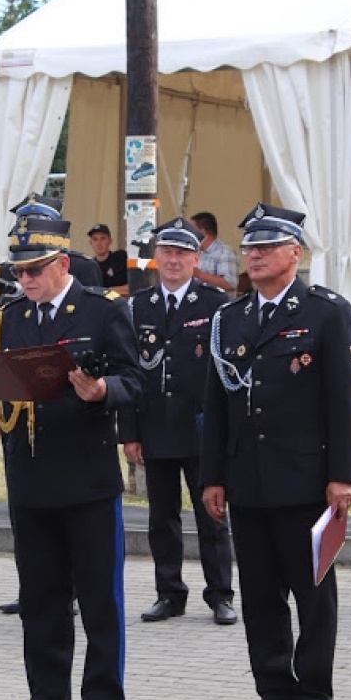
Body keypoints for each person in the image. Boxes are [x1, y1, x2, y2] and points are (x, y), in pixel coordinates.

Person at [0, 214, 142, 700]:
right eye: (19, 271)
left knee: (98, 594)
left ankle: (103, 699)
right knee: (40, 594)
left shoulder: (102, 310)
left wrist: (103, 391)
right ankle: (47, 695)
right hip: (29, 473)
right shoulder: (8, 316)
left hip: (87, 475)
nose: (25, 280)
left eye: (35, 270)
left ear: (63, 264)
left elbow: (136, 378)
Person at [200, 203, 351, 700]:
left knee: (313, 596)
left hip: (305, 480)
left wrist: (343, 475)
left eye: (267, 247)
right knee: (262, 596)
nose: (256, 255)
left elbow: (343, 401)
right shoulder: (231, 317)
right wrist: (213, 476)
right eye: (250, 247)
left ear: (296, 253)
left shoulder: (325, 311)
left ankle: (312, 694)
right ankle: (273, 691)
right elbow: (217, 403)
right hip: (248, 479)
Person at [120, 217, 237, 626]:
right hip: (156, 427)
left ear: (196, 257)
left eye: (182, 253)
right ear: (155, 257)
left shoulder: (215, 304)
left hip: (202, 428)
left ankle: (220, 594)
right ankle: (169, 593)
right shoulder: (138, 306)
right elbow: (129, 373)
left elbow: (227, 375)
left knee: (212, 514)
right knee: (161, 517)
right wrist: (130, 434)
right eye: (166, 252)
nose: (173, 260)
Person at [0, 192, 101, 616]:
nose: (23, 276)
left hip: (71, 422)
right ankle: (33, 585)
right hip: (19, 418)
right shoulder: (7, 279)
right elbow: (1, 336)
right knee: (25, 512)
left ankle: (70, 587)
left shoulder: (84, 272)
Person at [189, 211, 239, 295]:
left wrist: (199, 274)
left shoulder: (225, 252)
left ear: (202, 231)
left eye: (192, 230)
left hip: (219, 306)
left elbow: (230, 284)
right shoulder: (197, 252)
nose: (190, 234)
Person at [87, 223, 128, 294]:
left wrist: (105, 291)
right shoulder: (90, 266)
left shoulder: (120, 258)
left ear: (110, 241)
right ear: (91, 243)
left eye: (103, 238)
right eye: (95, 239)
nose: (99, 243)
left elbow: (133, 287)